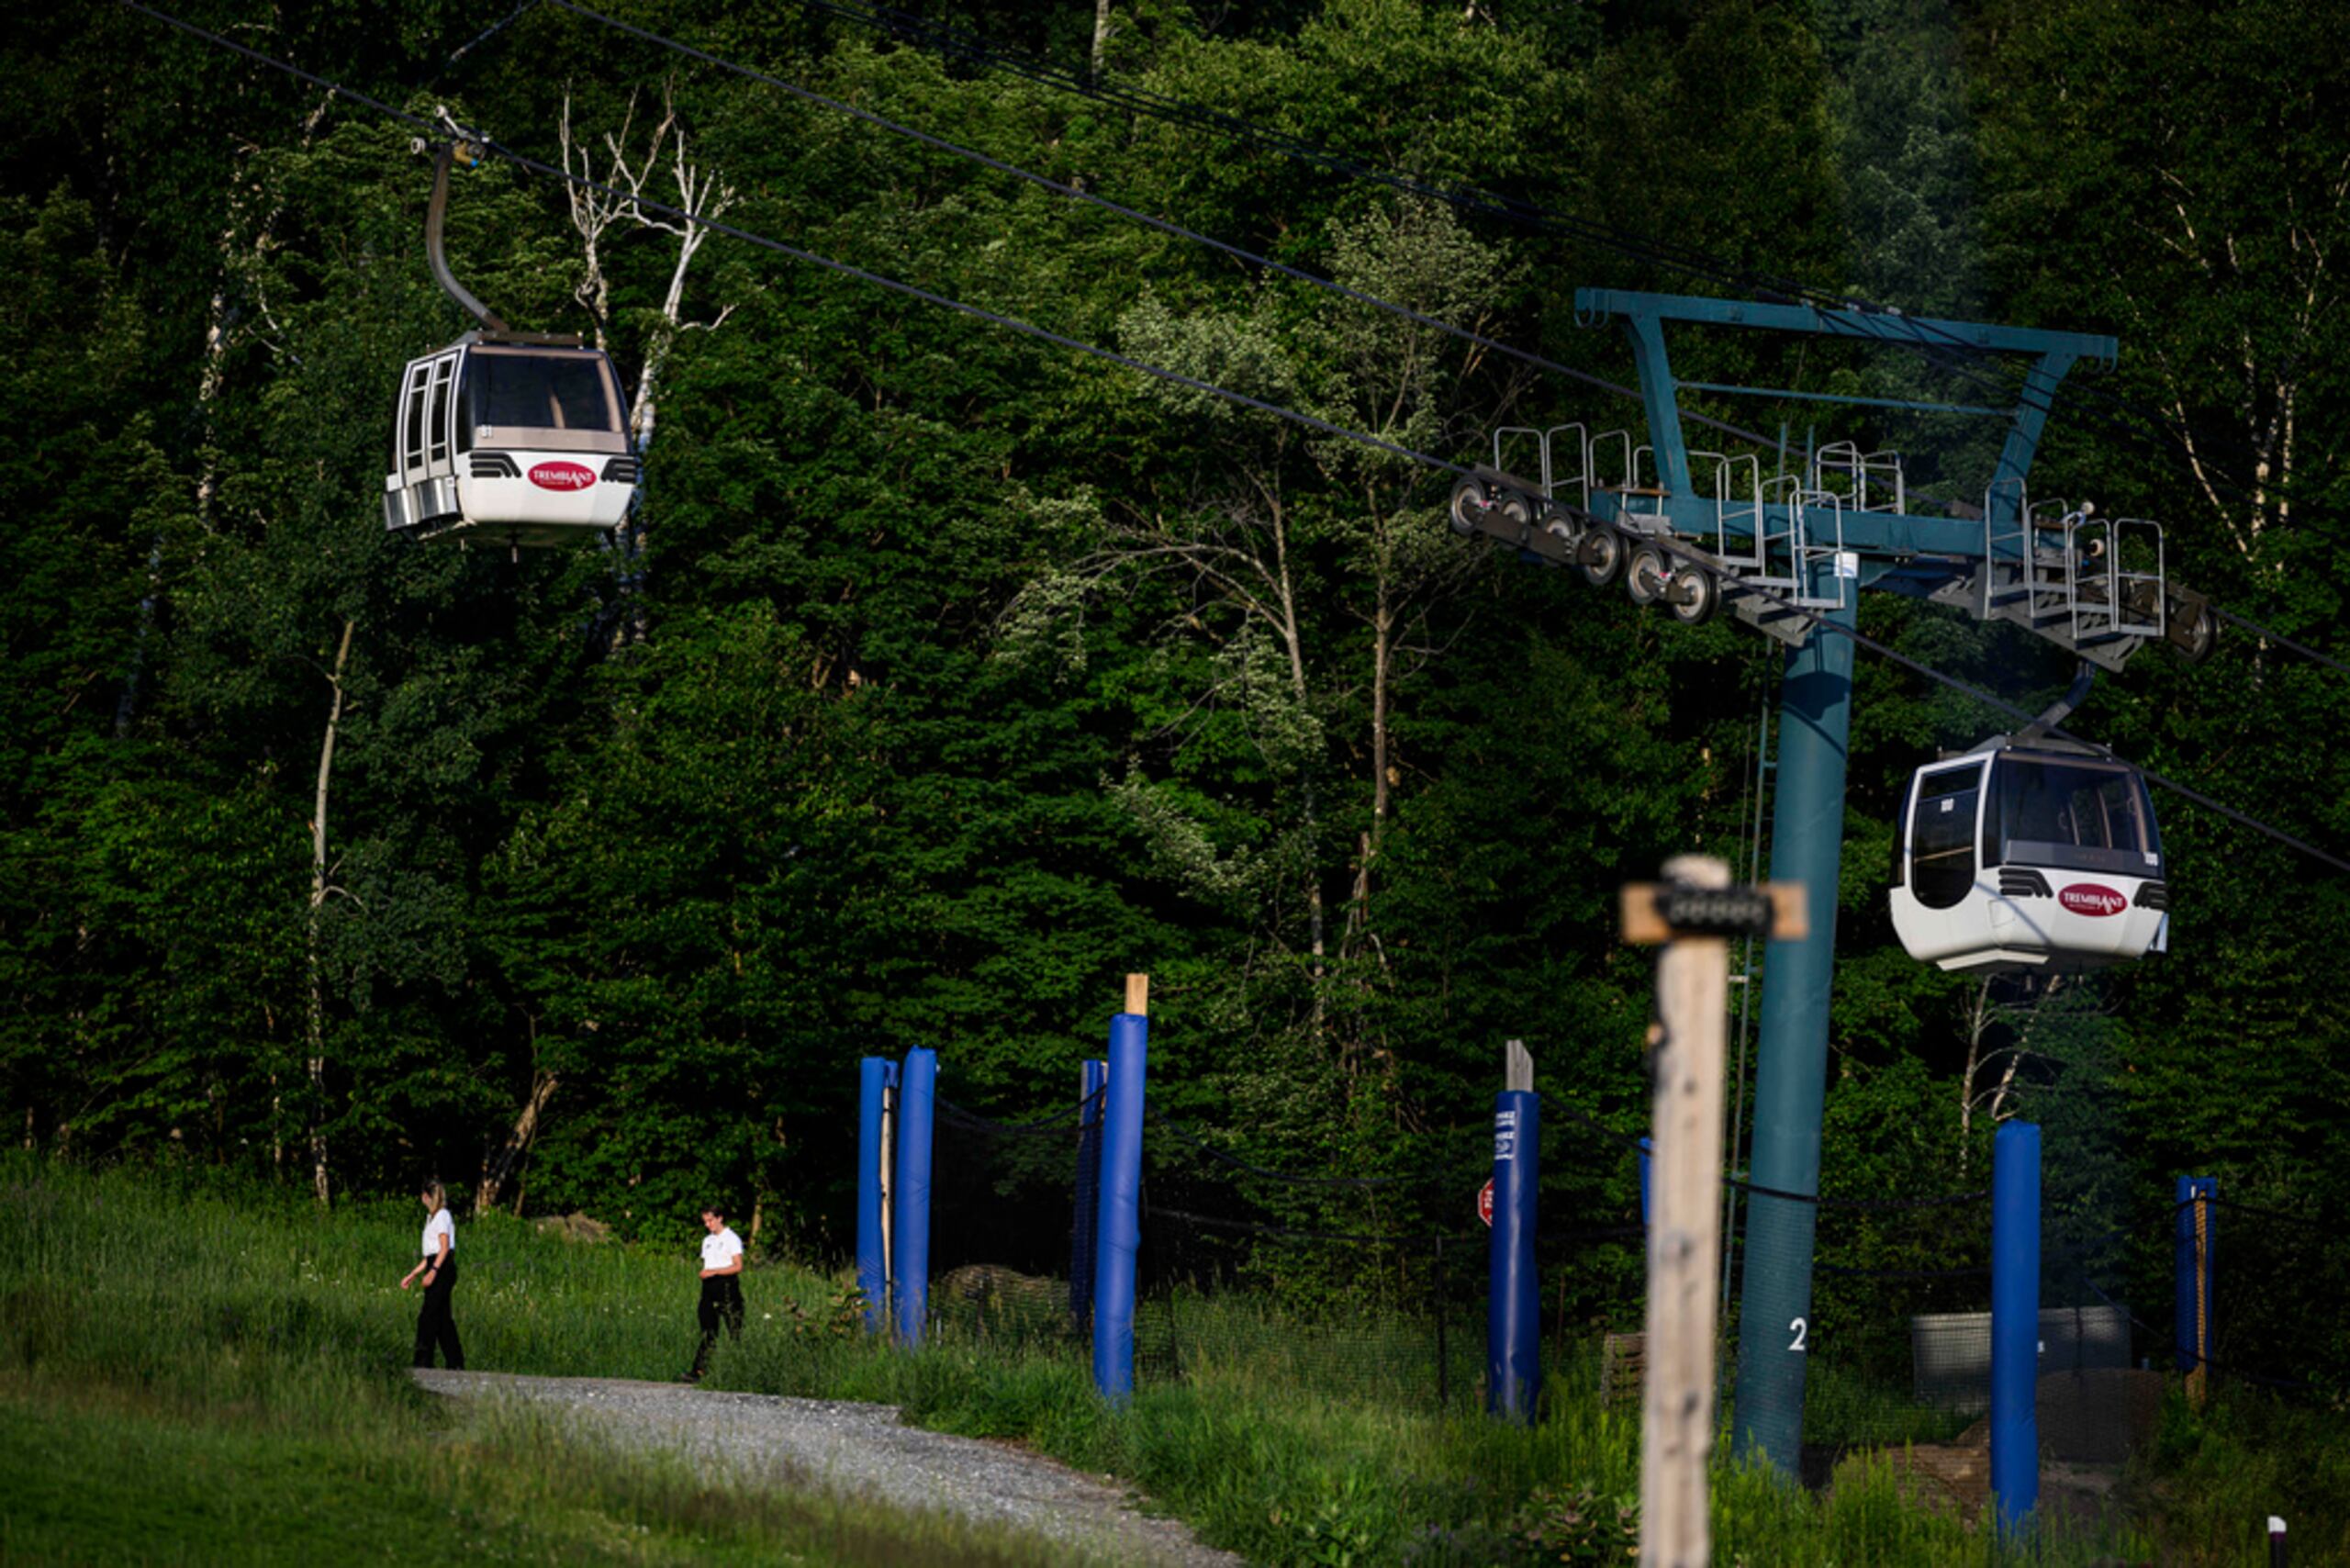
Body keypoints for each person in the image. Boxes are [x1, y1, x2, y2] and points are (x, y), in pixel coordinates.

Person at [400, 1179, 464, 1370]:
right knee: (443, 1318)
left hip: (443, 1268)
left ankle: (422, 1362)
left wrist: (433, 1272)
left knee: (428, 1316)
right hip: (435, 1263)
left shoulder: (443, 1216)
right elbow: (430, 1255)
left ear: (427, 1197)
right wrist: (414, 1274)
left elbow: (444, 1249)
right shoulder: (431, 1218)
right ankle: (455, 1363)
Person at [688, 1204, 745, 1382]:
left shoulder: (731, 1238)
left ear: (720, 1218)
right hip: (709, 1288)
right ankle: (699, 1370)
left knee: (734, 1330)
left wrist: (715, 1272)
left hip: (726, 1286)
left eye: (710, 1220)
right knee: (708, 1330)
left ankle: (740, 1371)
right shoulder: (708, 1241)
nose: (708, 1225)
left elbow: (738, 1266)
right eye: (705, 1221)